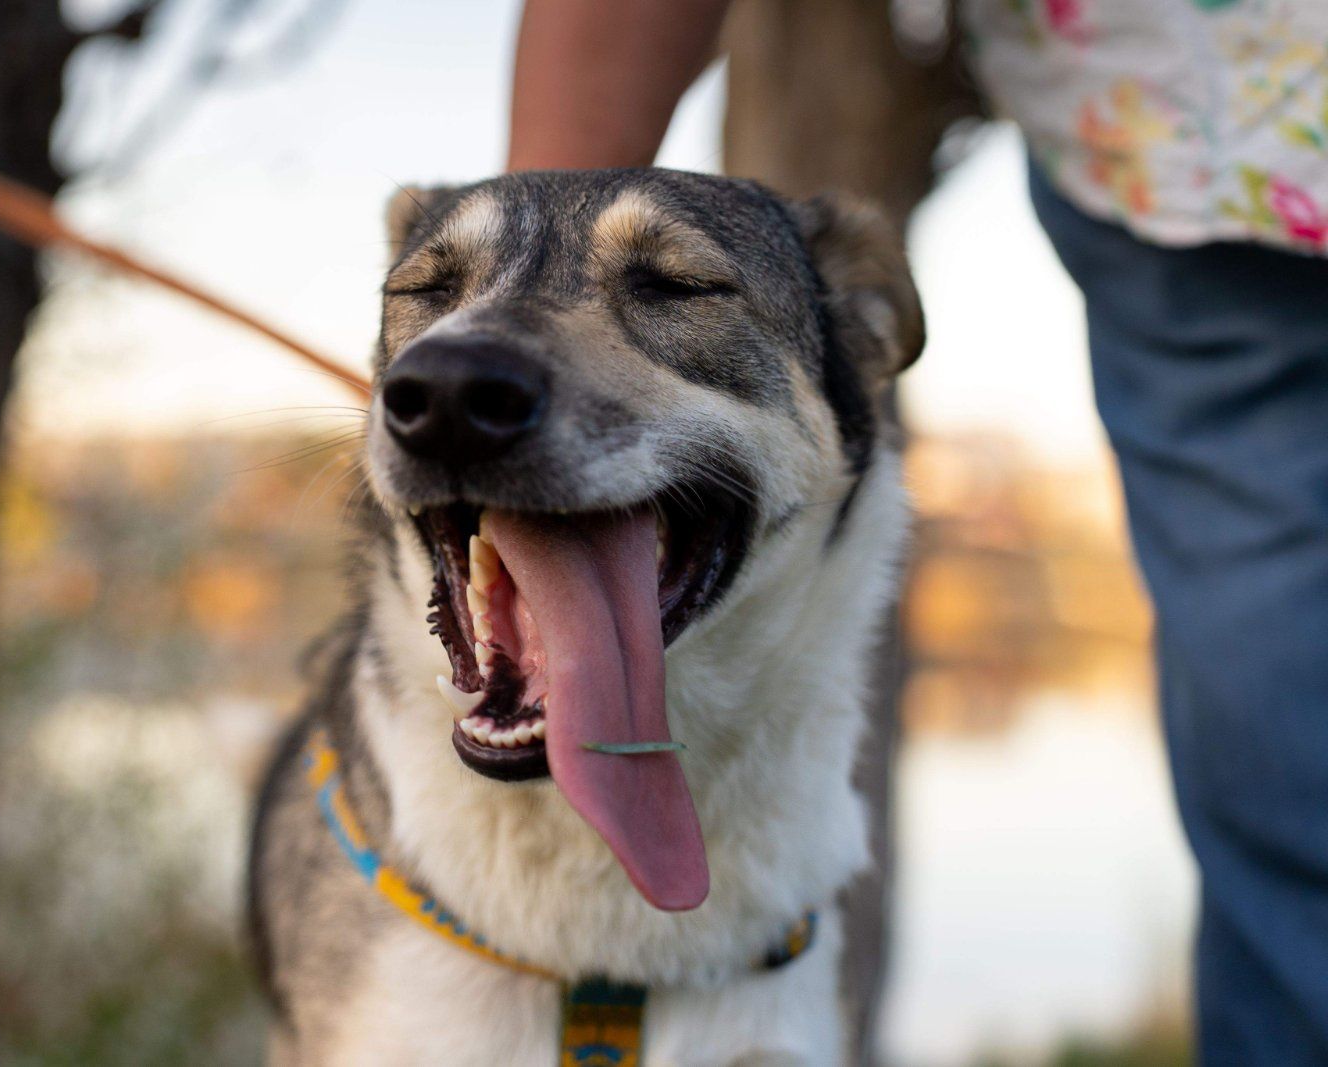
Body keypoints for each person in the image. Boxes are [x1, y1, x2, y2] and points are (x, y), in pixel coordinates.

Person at [505, 1, 1328, 1063]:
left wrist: (521, 306)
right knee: (1288, 778)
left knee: (1294, 798)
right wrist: (515, 339)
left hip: (1195, 139)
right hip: (1201, 152)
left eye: (674, 287)